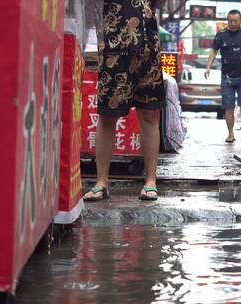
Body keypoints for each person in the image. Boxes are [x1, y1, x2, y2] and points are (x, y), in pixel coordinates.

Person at [84, 0, 165, 202]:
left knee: (148, 114)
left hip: (149, 49)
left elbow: (159, 5)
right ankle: (101, 182)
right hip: (114, 49)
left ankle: (151, 181)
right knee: (107, 116)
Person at [205, 10, 241, 143]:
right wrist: (208, 67)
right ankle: (230, 134)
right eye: (231, 21)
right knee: (228, 107)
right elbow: (213, 51)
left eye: (236, 21)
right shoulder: (221, 35)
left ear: (240, 21)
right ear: (227, 21)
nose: (233, 23)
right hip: (227, 77)